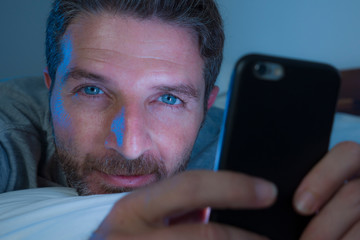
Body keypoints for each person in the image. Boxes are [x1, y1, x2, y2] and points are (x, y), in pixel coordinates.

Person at [1, 0, 360, 239]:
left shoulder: (252, 157)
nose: (129, 146)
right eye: (92, 91)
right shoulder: (13, 121)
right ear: (50, 89)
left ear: (206, 106)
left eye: (168, 99)